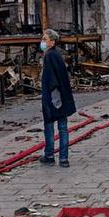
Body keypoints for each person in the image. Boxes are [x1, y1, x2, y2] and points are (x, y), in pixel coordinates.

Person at [39, 29, 76, 167]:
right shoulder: (57, 55)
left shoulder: (49, 56)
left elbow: (52, 80)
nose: (42, 41)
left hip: (54, 99)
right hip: (61, 98)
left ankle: (49, 155)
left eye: (44, 39)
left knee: (50, 127)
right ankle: (63, 158)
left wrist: (55, 100)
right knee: (63, 127)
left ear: (52, 42)